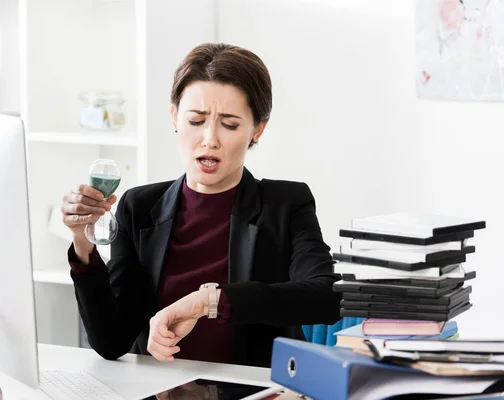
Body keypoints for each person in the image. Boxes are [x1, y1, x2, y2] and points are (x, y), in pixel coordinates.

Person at [61, 43, 342, 368]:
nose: (210, 138)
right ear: (175, 118)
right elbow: (112, 341)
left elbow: (326, 296)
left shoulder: (285, 205)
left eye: (230, 124)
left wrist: (210, 300)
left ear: (257, 130)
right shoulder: (138, 208)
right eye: (196, 120)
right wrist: (81, 241)